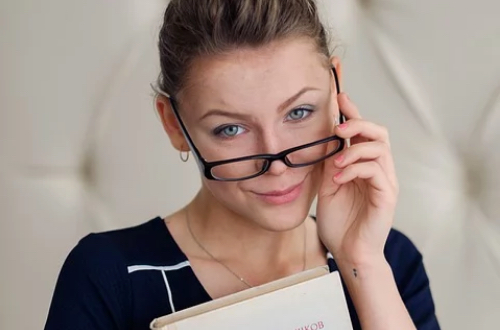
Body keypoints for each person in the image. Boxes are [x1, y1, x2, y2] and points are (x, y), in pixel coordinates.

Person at [44, 0, 440, 329]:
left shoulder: (388, 259)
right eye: (231, 129)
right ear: (173, 124)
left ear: (336, 87)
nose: (277, 164)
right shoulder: (111, 277)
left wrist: (363, 265)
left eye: (299, 112)